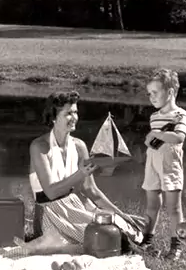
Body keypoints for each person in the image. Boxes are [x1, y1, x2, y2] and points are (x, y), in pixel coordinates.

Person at [23, 91, 125, 252]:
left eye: (75, 112)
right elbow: (50, 192)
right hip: (50, 212)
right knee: (104, 238)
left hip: (75, 207)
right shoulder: (39, 146)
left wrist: (121, 214)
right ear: (54, 117)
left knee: (120, 228)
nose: (74, 117)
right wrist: (80, 174)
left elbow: (91, 190)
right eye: (68, 113)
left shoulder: (79, 146)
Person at [141, 68, 186, 260]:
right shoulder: (154, 116)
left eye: (155, 92)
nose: (151, 97)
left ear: (170, 92)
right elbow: (155, 139)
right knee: (152, 205)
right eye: (149, 93)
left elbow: (178, 137)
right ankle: (146, 241)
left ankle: (176, 246)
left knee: (174, 208)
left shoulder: (180, 114)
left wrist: (157, 134)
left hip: (170, 165)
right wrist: (149, 140)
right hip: (152, 162)